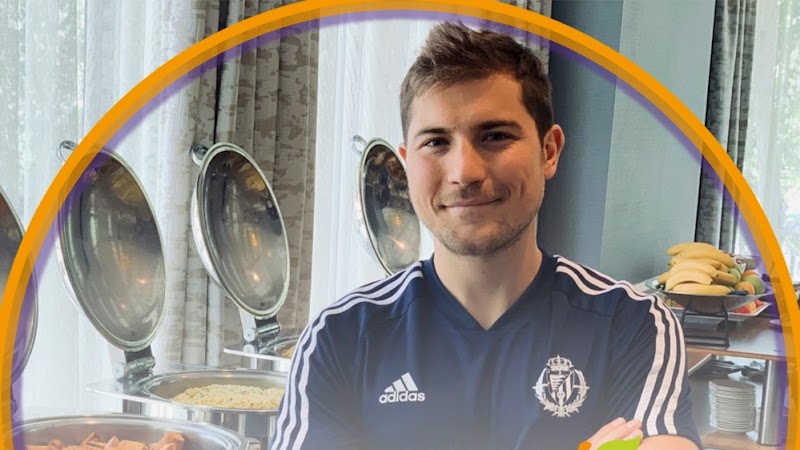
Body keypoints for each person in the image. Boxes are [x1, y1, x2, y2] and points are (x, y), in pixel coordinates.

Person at [272, 22, 700, 450]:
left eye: (495, 137)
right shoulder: (340, 337)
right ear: (405, 165)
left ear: (548, 151)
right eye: (436, 142)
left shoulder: (632, 323)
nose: (465, 173)